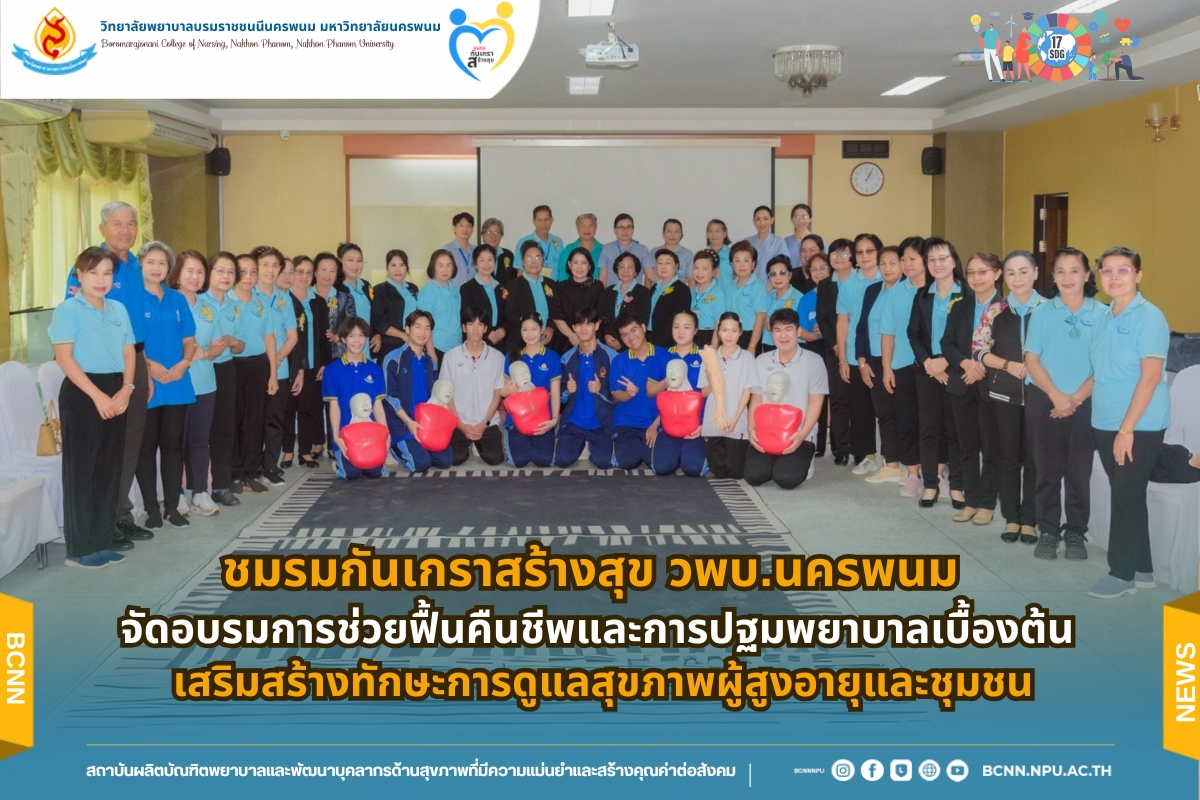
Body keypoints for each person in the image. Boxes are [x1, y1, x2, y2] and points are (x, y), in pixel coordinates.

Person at [64, 201, 150, 549]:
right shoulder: (90, 266)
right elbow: (76, 324)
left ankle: (119, 515)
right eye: (117, 224)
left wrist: (144, 370)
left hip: (133, 360)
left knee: (129, 443)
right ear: (102, 228)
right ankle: (102, 524)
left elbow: (137, 325)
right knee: (103, 448)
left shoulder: (135, 267)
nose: (125, 231)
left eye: (131, 224)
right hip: (98, 368)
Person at [1086, 247, 1169, 599]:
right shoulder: (1104, 316)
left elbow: (1150, 377)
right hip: (1104, 420)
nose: (1114, 277)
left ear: (1138, 275)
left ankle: (1121, 575)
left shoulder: (1150, 317)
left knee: (1125, 495)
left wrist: (1127, 429)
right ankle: (1143, 568)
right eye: (1107, 271)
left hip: (1139, 424)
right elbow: (1099, 371)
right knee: (1129, 496)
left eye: (1123, 270)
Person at [51, 247, 137, 567]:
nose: (101, 279)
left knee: (109, 471)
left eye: (107, 273)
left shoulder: (118, 309)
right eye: (93, 272)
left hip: (116, 390)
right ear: (79, 275)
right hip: (82, 393)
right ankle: (79, 550)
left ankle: (102, 542)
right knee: (82, 473)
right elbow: (64, 359)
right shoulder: (67, 310)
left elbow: (129, 351)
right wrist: (97, 396)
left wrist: (127, 389)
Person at [1024, 248, 1104, 561]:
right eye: (1060, 271)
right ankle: (1047, 530)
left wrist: (1075, 399)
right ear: (1053, 277)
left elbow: (1104, 366)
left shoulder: (1104, 315)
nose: (1067, 277)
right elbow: (1032, 360)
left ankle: (1075, 532)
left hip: (1086, 403)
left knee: (1078, 471)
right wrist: (1057, 396)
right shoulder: (1042, 313)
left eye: (1074, 270)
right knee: (1046, 469)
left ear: (1087, 275)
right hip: (1044, 400)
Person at [973, 251, 1046, 543]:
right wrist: (1007, 365)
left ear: (1036, 273)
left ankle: (1030, 519)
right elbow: (979, 349)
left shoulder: (1050, 309)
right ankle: (1011, 518)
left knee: (1034, 459)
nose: (1018, 278)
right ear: (1004, 276)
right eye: (1011, 273)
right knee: (1007, 457)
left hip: (1041, 396)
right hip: (1003, 395)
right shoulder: (995, 310)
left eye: (1024, 271)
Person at [136, 241, 197, 528]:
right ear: (140, 265)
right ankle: (152, 510)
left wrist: (184, 363)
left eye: (162, 263)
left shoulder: (177, 299)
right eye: (150, 262)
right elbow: (128, 342)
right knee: (146, 447)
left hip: (176, 381)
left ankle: (172, 507)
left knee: (173, 447)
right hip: (146, 382)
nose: (156, 267)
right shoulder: (132, 299)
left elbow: (190, 339)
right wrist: (148, 364)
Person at [941, 250, 1002, 521]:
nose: (976, 278)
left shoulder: (1005, 308)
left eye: (983, 272)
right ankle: (971, 499)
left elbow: (1009, 348)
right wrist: (966, 363)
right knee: (966, 447)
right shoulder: (960, 306)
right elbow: (947, 343)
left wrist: (982, 367)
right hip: (962, 383)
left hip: (992, 386)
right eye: (972, 273)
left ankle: (987, 503)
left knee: (991, 448)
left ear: (997, 274)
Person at [168, 250, 228, 516]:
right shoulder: (166, 303)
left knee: (200, 440)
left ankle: (200, 492)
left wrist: (204, 353)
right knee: (176, 442)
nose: (195, 276)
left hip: (204, 383)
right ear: (177, 274)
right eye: (189, 271)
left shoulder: (208, 307)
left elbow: (217, 346)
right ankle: (177, 494)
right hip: (175, 382)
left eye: (200, 272)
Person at [907, 237, 965, 509]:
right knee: (928, 429)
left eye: (943, 258)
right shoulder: (922, 295)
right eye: (932, 259)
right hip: (927, 371)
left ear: (953, 260)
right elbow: (913, 333)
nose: (937, 264)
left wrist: (946, 362)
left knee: (956, 430)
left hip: (957, 371)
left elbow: (971, 335)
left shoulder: (966, 294)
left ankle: (958, 486)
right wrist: (929, 363)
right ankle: (930, 484)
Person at [745, 308, 828, 490]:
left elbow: (816, 402)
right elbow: (756, 400)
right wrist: (751, 429)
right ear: (771, 333)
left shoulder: (814, 361)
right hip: (767, 432)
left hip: (798, 434)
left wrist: (802, 435)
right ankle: (774, 459)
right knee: (754, 476)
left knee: (786, 479)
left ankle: (803, 459)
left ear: (798, 332)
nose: (783, 335)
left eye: (788, 329)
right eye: (777, 330)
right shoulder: (761, 361)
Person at [858, 245, 913, 486]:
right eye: (883, 263)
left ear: (902, 264)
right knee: (884, 413)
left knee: (906, 413)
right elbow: (861, 326)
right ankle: (891, 465)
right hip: (875, 359)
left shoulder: (909, 290)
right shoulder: (872, 290)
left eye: (893, 263)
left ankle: (912, 467)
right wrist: (862, 360)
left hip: (902, 360)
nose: (887, 268)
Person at [878, 238, 927, 497]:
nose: (907, 264)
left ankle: (936, 474)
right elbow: (887, 333)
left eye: (912, 259)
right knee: (907, 421)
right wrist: (887, 368)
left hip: (933, 366)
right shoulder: (896, 292)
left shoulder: (937, 289)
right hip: (903, 365)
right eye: (904, 259)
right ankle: (913, 474)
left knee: (933, 422)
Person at [229, 253, 276, 495]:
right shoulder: (226, 301)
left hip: (259, 365)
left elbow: (270, 338)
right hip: (232, 365)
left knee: (256, 420)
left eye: (252, 272)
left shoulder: (261, 304)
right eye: (243, 272)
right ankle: (234, 473)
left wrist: (273, 374)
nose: (248, 277)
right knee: (233, 420)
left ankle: (251, 472)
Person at [836, 233, 884, 473]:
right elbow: (842, 322)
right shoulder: (847, 285)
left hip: (886, 353)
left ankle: (892, 458)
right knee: (860, 409)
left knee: (888, 408)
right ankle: (867, 455)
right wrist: (842, 359)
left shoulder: (890, 279)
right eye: (860, 252)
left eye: (870, 250)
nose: (865, 256)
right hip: (856, 354)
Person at [382, 310, 452, 472]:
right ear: (407, 329)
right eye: (418, 327)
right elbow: (389, 396)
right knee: (421, 464)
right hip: (402, 424)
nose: (423, 332)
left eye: (427, 328)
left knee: (445, 461)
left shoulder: (430, 362)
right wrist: (408, 421)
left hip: (426, 425)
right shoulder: (393, 358)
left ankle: (418, 449)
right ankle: (394, 447)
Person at [200, 252, 244, 505]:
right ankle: (194, 488)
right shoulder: (196, 300)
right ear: (209, 272)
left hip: (225, 368)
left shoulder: (234, 306)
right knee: (197, 431)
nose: (226, 276)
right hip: (199, 368)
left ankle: (220, 485)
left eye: (230, 272)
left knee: (224, 429)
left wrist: (233, 341)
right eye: (220, 270)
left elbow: (240, 345)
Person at [322, 317, 388, 480]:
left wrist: (386, 433)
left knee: (375, 473)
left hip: (370, 435)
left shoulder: (375, 369)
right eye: (351, 336)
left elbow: (377, 405)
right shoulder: (332, 370)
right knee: (351, 474)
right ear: (343, 339)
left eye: (361, 336)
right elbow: (334, 407)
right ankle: (338, 460)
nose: (357, 341)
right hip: (346, 436)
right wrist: (336, 437)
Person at [439, 307, 507, 466]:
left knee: (495, 458)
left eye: (480, 324)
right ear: (464, 327)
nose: (475, 329)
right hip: (459, 422)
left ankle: (478, 444)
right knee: (454, 459)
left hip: (487, 422)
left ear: (486, 328)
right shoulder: (450, 357)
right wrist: (461, 426)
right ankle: (470, 443)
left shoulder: (497, 357)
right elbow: (447, 397)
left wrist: (484, 423)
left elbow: (497, 395)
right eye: (470, 324)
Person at [554, 307, 618, 469]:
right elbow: (559, 395)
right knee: (562, 460)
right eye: (579, 324)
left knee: (603, 462)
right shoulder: (566, 358)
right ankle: (580, 443)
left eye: (588, 324)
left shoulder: (612, 357)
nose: (583, 328)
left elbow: (619, 395)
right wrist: (567, 390)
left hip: (601, 423)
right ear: (574, 328)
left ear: (597, 326)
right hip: (574, 422)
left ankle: (592, 444)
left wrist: (601, 389)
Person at [257, 247, 299, 485]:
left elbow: (292, 336)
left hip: (280, 368)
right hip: (254, 366)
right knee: (252, 420)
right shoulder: (247, 294)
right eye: (265, 265)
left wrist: (279, 357)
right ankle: (251, 466)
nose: (271, 270)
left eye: (275, 266)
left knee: (275, 419)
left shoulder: (284, 299)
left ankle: (270, 466)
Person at [647, 310, 707, 476]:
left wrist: (705, 426)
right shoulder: (662, 355)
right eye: (676, 327)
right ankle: (675, 454)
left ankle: (690, 454)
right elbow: (650, 391)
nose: (681, 332)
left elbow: (714, 394)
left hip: (697, 427)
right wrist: (666, 382)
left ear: (695, 330)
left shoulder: (705, 355)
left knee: (693, 469)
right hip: (669, 425)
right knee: (661, 468)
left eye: (687, 327)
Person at [699, 312, 758, 479]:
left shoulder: (747, 357)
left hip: (736, 423)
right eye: (724, 330)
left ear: (740, 332)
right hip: (713, 423)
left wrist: (735, 420)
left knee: (736, 472)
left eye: (734, 331)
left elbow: (747, 392)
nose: (729, 335)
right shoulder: (709, 356)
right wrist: (712, 381)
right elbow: (703, 393)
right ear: (718, 331)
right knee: (719, 472)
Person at [609, 315, 670, 470]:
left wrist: (656, 423)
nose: (631, 337)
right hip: (626, 423)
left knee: (660, 466)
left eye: (634, 330)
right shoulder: (619, 361)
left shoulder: (665, 356)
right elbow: (616, 394)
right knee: (628, 461)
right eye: (624, 335)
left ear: (643, 327)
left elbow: (674, 396)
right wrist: (628, 394)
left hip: (656, 422)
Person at [501, 312, 561, 467]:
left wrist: (554, 420)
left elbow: (555, 393)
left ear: (542, 330)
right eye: (525, 329)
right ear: (520, 331)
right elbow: (507, 393)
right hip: (517, 421)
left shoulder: (552, 357)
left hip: (543, 421)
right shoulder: (511, 356)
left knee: (543, 461)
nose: (529, 334)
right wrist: (504, 392)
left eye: (534, 329)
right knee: (518, 462)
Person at [284, 256, 326, 469]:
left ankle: (305, 451)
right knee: (288, 409)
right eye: (299, 272)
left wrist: (323, 363)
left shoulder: (318, 302)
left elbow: (325, 337)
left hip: (312, 364)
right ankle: (287, 451)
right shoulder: (284, 299)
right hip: (289, 363)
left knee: (307, 409)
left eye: (309, 273)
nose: (304, 276)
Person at [818, 239, 855, 464]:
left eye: (844, 253)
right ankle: (841, 448)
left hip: (860, 349)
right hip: (833, 350)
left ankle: (861, 449)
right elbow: (823, 319)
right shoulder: (825, 285)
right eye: (834, 253)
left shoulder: (862, 281)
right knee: (838, 399)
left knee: (859, 401)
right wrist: (836, 345)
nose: (838, 257)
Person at [798, 252, 829, 455]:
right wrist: (815, 335)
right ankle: (816, 443)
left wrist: (826, 330)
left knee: (835, 398)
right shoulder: (806, 299)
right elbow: (800, 330)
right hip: (813, 348)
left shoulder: (837, 293)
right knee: (814, 396)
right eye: (814, 269)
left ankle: (839, 447)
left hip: (834, 348)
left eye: (823, 268)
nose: (818, 272)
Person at [504, 240, 558, 354]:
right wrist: (530, 330)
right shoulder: (513, 285)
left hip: (547, 340)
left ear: (543, 261)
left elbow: (556, 310)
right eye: (529, 258)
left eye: (538, 257)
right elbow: (510, 314)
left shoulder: (551, 284)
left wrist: (550, 327)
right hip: (521, 340)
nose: (534, 261)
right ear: (522, 261)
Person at [552, 246, 605, 353]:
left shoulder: (597, 286)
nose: (579, 267)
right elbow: (556, 316)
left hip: (591, 339)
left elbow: (601, 314)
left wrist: (584, 335)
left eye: (583, 263)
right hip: (566, 339)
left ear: (589, 266)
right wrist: (573, 336)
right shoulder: (560, 287)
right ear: (569, 264)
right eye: (575, 262)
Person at [371, 249, 420, 363]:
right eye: (393, 265)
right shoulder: (379, 290)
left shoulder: (413, 288)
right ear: (387, 267)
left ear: (406, 267)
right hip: (390, 344)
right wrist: (403, 335)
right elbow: (378, 321)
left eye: (402, 265)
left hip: (414, 342)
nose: (398, 269)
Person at [461, 243, 509, 352]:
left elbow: (507, 312)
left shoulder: (501, 287)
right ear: (475, 264)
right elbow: (467, 316)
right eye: (482, 260)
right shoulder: (467, 288)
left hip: (500, 340)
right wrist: (488, 331)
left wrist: (503, 329)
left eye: (490, 259)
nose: (486, 264)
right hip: (478, 340)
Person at [601, 251, 652, 350]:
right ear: (617, 269)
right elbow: (603, 317)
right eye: (622, 267)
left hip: (632, 344)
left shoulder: (643, 292)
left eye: (630, 267)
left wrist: (621, 341)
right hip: (608, 343)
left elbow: (642, 320)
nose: (625, 270)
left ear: (636, 272)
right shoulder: (609, 291)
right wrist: (606, 335)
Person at [418, 249, 464, 355]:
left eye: (448, 265)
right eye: (440, 266)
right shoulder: (428, 291)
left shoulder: (455, 288)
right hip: (437, 347)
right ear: (433, 268)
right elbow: (424, 325)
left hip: (457, 346)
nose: (445, 269)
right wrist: (431, 352)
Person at [726, 240, 769, 353]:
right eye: (737, 260)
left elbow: (761, 318)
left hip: (749, 336)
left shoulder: (758, 286)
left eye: (746, 260)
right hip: (730, 335)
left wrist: (752, 346)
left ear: (753, 264)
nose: (742, 265)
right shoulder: (730, 286)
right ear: (732, 264)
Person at [313, 251, 353, 364]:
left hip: (338, 355)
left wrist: (338, 336)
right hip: (312, 355)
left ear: (336, 275)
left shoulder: (345, 298)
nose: (328, 274)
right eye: (323, 270)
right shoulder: (306, 297)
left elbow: (351, 323)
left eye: (332, 271)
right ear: (315, 272)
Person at [648, 249, 692, 348]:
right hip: (650, 337)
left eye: (668, 263)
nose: (663, 266)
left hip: (667, 341)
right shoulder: (655, 287)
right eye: (660, 263)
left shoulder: (681, 289)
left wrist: (661, 341)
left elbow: (678, 319)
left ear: (676, 266)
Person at [763, 254, 804, 353]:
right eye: (773, 274)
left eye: (782, 273)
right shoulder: (767, 296)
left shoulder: (799, 298)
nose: (778, 278)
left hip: (789, 346)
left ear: (790, 275)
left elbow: (801, 327)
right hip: (768, 345)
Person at [598, 214, 653, 287]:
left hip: (636, 293)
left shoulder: (642, 249)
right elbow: (603, 277)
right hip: (612, 292)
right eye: (621, 227)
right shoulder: (607, 249)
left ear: (633, 229)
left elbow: (650, 275)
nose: (625, 231)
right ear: (615, 230)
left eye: (628, 227)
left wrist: (667, 282)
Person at [336, 242, 374, 341]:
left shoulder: (366, 285)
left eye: (359, 260)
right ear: (340, 261)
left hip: (367, 342)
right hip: (346, 343)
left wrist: (377, 334)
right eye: (350, 260)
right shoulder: (336, 288)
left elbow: (375, 315)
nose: (355, 265)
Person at [515, 205, 565, 281]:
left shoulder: (558, 241)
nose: (543, 224)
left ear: (551, 220)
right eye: (539, 220)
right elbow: (520, 271)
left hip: (555, 285)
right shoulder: (523, 242)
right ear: (534, 221)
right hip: (532, 285)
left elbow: (561, 269)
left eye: (546, 219)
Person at [690, 249, 727, 348]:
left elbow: (718, 324)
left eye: (705, 268)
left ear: (714, 271)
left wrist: (713, 348)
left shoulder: (718, 293)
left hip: (710, 336)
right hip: (691, 336)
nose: (699, 272)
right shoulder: (691, 292)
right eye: (696, 268)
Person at [745, 206, 789, 285]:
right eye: (758, 219)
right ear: (754, 221)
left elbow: (784, 268)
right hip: (751, 287)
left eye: (765, 219)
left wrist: (770, 287)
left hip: (772, 288)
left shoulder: (779, 242)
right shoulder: (748, 242)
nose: (762, 223)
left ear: (772, 220)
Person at [557, 213, 604, 283]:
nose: (587, 229)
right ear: (577, 229)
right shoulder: (569, 249)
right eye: (582, 226)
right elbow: (563, 275)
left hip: (597, 289)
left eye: (591, 226)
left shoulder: (603, 250)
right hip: (572, 289)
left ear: (595, 228)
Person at [655, 219, 694, 285]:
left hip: (680, 290)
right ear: (663, 234)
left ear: (681, 234)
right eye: (669, 231)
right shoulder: (654, 252)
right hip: (658, 290)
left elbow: (691, 279)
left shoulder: (688, 254)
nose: (672, 235)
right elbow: (649, 277)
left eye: (676, 231)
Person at [442, 211, 476, 285]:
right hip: (453, 291)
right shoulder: (446, 250)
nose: (465, 229)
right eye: (461, 225)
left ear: (472, 229)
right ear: (454, 228)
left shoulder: (476, 250)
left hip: (473, 291)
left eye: (469, 226)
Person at [481, 218, 518, 284]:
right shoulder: (478, 255)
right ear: (483, 236)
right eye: (489, 232)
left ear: (501, 235)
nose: (493, 236)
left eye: (497, 232)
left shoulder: (508, 255)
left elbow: (513, 280)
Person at [783, 204, 814, 271]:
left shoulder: (817, 240)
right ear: (792, 219)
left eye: (804, 217)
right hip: (792, 276)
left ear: (810, 219)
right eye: (796, 217)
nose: (800, 221)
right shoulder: (786, 242)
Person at [705, 219, 734, 285]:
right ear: (707, 234)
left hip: (728, 290)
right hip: (709, 291)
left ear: (724, 234)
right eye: (711, 231)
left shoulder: (732, 253)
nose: (714, 234)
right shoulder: (703, 255)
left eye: (717, 231)